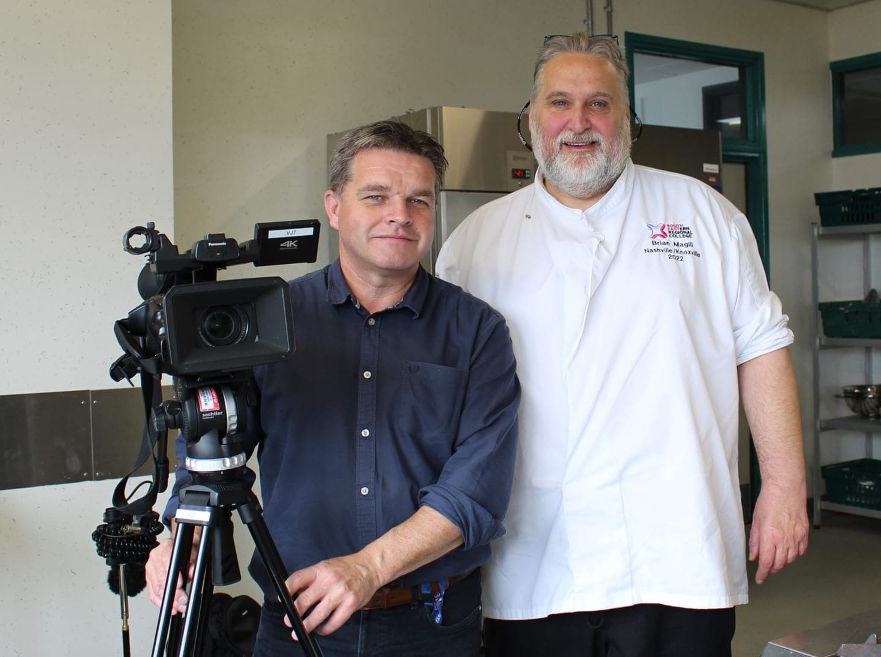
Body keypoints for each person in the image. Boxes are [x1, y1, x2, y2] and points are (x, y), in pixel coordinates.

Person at [436, 34, 808, 657]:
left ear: (627, 119)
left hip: (678, 550)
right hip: (534, 559)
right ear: (532, 118)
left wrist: (784, 487)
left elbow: (762, 349)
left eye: (599, 103)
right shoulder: (476, 242)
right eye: (560, 102)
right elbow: (447, 398)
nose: (579, 122)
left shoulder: (704, 214)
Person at [146, 120, 521, 657]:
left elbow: (475, 493)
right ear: (334, 206)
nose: (400, 214)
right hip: (296, 619)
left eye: (418, 200)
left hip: (431, 626)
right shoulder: (268, 320)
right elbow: (216, 440)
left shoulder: (477, 330)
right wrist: (179, 535)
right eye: (376, 196)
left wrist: (368, 568)